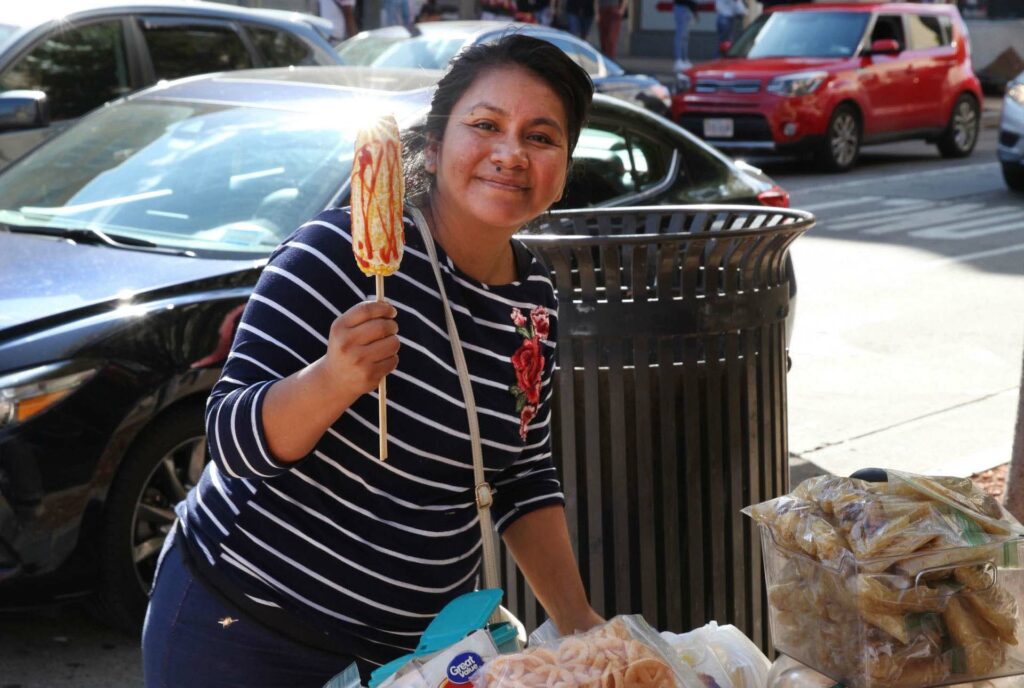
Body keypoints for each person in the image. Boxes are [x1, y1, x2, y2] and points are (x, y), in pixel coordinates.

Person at [141, 34, 602, 688]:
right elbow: (231, 440)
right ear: (436, 144)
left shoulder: (533, 303)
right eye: (485, 125)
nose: (510, 153)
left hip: (415, 658)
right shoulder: (336, 254)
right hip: (245, 631)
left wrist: (578, 622)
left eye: (541, 136)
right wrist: (332, 380)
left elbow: (520, 470)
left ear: (563, 166)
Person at [672, 0, 698, 72]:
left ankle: (684, 59)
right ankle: (678, 60)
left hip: (687, 8)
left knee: (685, 36)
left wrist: (694, 11)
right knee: (680, 35)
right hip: (681, 6)